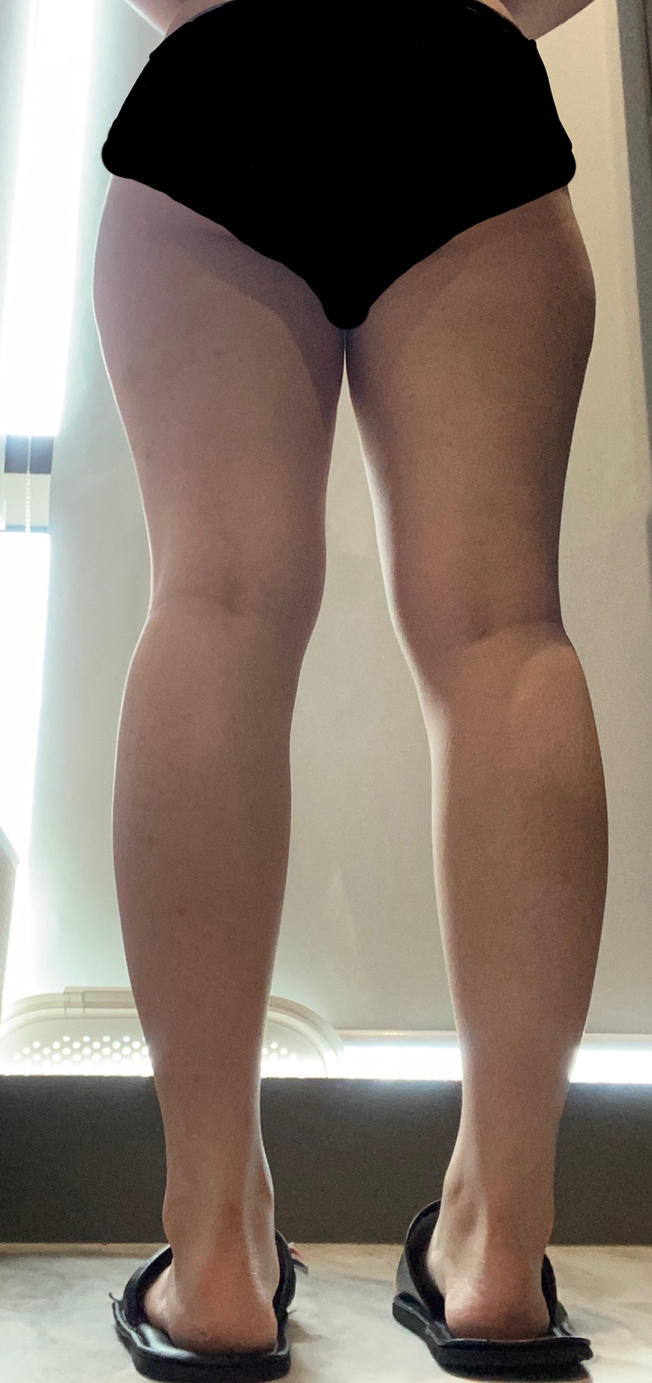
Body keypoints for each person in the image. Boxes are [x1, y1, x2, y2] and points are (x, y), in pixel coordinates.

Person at [94, 0, 605, 1376]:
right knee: (503, 634)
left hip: (227, 76)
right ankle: (498, 1255)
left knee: (214, 606)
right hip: (459, 85)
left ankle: (213, 1261)